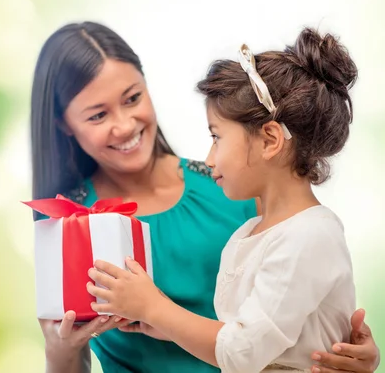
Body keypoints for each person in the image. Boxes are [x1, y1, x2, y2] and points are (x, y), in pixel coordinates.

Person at [30, 21, 381, 373]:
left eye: (132, 98)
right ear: (64, 124)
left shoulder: (235, 186)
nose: (123, 125)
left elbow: (304, 300)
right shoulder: (72, 225)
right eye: (98, 115)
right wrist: (58, 352)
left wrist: (351, 351)